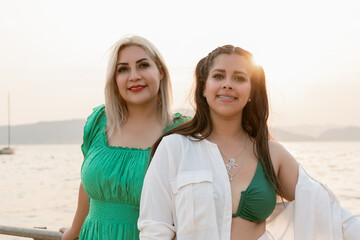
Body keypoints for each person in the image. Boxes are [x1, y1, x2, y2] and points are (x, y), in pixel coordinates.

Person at [138, 45, 360, 240]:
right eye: (218, 76)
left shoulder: (272, 154)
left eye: (239, 78)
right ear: (204, 88)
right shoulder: (174, 148)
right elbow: (155, 229)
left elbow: (329, 213)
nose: (228, 84)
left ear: (251, 91)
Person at [59, 35, 189, 240]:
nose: (134, 76)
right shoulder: (99, 121)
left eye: (143, 65)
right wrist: (74, 230)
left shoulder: (183, 133)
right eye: (123, 69)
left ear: (161, 71)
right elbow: (87, 185)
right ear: (114, 79)